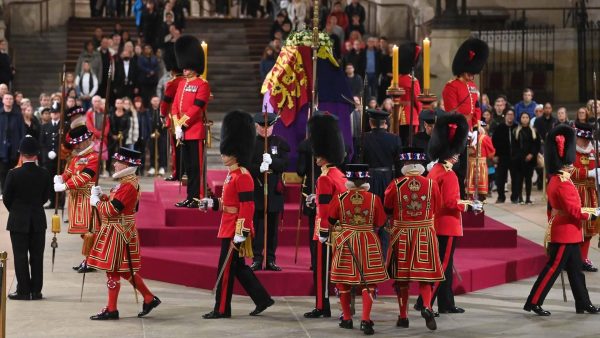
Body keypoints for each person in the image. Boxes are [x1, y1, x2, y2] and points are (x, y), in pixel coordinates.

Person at [199, 110, 274, 319]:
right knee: (238, 267)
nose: (222, 155)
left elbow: (247, 206)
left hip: (236, 230)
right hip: (229, 226)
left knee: (225, 271)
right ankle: (262, 299)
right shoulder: (232, 175)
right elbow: (229, 204)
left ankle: (221, 309)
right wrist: (212, 203)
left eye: (226, 151)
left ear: (235, 152)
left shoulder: (242, 176)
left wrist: (241, 232)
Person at [524, 124, 600, 316]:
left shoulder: (558, 179)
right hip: (565, 232)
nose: (572, 164)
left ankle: (583, 303)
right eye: (569, 162)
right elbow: (574, 211)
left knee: (576, 272)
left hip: (570, 232)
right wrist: (592, 213)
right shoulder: (563, 183)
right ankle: (533, 302)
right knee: (552, 270)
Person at [415, 113, 482, 313]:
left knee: (443, 265)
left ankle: (444, 304)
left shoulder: (435, 170)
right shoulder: (449, 174)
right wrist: (471, 205)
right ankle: (426, 303)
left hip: (437, 223)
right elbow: (451, 202)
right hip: (447, 225)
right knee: (442, 267)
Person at [87, 147, 160, 319]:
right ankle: (149, 298)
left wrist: (97, 203)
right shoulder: (126, 181)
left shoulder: (128, 185)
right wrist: (103, 196)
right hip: (119, 229)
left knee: (113, 270)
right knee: (122, 269)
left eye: (118, 162)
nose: (114, 164)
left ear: (126, 164)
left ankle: (112, 309)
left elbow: (113, 210)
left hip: (118, 231)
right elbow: (118, 204)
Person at [384, 147, 444, 331]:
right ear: (421, 165)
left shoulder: (396, 185)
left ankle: (403, 316)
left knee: (402, 279)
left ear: (404, 165)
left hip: (402, 234)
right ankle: (426, 306)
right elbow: (438, 206)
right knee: (425, 276)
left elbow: (387, 206)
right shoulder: (431, 184)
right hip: (425, 233)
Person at [329, 163, 388, 335]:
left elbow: (332, 221)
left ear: (348, 179)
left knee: (343, 281)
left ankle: (347, 319)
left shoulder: (339, 198)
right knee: (368, 283)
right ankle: (365, 320)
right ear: (365, 180)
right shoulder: (374, 199)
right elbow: (381, 222)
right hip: (368, 241)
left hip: (345, 240)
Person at [303, 112, 348, 319]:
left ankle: (322, 305)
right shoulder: (338, 174)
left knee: (321, 271)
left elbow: (324, 209)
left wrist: (322, 231)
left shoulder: (324, 178)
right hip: (340, 228)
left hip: (326, 231)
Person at [4, 136, 50, 300]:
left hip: (18, 220)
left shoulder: (13, 174)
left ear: (21, 154)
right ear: (36, 155)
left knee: (20, 256)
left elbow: (7, 198)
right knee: (37, 257)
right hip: (38, 219)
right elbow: (45, 197)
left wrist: (16, 211)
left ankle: (23, 290)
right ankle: (36, 290)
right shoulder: (44, 174)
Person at [442, 38, 488, 199]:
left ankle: (467, 197)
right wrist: (463, 130)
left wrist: (475, 127)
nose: (472, 75)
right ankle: (457, 196)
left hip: (469, 129)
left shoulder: (472, 87)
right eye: (470, 71)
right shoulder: (451, 86)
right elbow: (451, 112)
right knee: (457, 165)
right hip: (456, 130)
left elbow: (476, 108)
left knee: (469, 167)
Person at [54, 124, 100, 273]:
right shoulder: (76, 158)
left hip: (87, 198)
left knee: (89, 232)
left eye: (79, 143)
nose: (77, 146)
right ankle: (90, 259)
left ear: (86, 140)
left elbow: (84, 177)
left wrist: (65, 186)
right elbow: (69, 171)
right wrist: (61, 178)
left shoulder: (93, 157)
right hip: (76, 199)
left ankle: (90, 260)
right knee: (83, 232)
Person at [171, 36, 210, 208]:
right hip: (182, 132)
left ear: (194, 67)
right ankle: (189, 197)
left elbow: (197, 108)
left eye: (187, 68)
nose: (184, 70)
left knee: (196, 168)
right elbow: (174, 106)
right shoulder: (181, 84)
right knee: (187, 167)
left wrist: (182, 124)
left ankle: (197, 196)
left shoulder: (202, 85)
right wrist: (176, 124)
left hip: (194, 131)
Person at [249, 112, 289, 271]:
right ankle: (257, 258)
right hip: (257, 188)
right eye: (262, 127)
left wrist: (273, 162)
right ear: (257, 126)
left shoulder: (280, 143)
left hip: (274, 190)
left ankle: (271, 259)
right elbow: (246, 166)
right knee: (258, 226)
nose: (266, 130)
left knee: (272, 228)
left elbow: (285, 164)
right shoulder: (251, 144)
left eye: (269, 126)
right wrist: (258, 168)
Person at [361, 109, 401, 258]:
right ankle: (383, 256)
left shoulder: (363, 138)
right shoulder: (394, 139)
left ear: (371, 122)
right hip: (387, 179)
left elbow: (359, 161)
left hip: (369, 179)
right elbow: (398, 163)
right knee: (385, 218)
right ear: (385, 123)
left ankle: (368, 255)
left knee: (369, 216)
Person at [571, 122, 599, 272]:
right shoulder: (571, 151)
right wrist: (587, 173)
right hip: (574, 192)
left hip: (590, 193)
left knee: (589, 227)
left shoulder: (593, 152)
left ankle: (583, 258)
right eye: (583, 139)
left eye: (588, 139)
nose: (586, 142)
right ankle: (572, 259)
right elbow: (568, 170)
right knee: (575, 227)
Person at [159, 66, 184, 181]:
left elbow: (166, 101)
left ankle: (177, 173)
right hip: (188, 118)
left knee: (176, 148)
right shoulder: (187, 80)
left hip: (175, 119)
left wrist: (162, 114)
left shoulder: (173, 82)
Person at [397, 42, 423, 146]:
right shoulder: (412, 81)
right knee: (410, 143)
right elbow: (418, 101)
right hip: (410, 115)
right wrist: (421, 112)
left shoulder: (397, 79)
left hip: (397, 114)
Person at [511, 113, 540, 204]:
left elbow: (536, 144)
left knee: (528, 179)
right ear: (520, 119)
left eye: (527, 117)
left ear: (529, 119)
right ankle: (520, 197)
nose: (525, 119)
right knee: (519, 179)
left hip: (530, 159)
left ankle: (528, 197)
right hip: (519, 160)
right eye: (523, 117)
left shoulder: (534, 131)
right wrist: (520, 156)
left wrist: (532, 154)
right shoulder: (516, 131)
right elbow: (514, 146)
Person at [0, 93, 25, 190]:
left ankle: (12, 191)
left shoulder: (18, 115)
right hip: (2, 148)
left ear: (13, 101)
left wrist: (21, 147)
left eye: (10, 99)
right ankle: (3, 191)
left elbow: (22, 132)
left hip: (14, 148)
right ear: (3, 100)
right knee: (2, 171)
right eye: (6, 98)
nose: (8, 100)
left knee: (13, 171)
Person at [40, 106, 63, 209]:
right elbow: (42, 142)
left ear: (59, 113)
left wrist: (57, 152)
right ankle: (52, 201)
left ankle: (61, 202)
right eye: (52, 113)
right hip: (48, 159)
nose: (54, 115)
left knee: (60, 179)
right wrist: (47, 153)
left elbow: (65, 142)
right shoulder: (45, 126)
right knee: (50, 180)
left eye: (56, 112)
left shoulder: (63, 126)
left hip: (60, 158)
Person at [466, 123, 495, 202]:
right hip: (481, 165)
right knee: (480, 190)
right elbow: (491, 153)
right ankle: (480, 205)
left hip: (470, 164)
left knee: (470, 188)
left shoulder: (468, 138)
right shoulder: (485, 138)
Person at [492, 109, 516, 203]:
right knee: (500, 178)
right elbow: (494, 142)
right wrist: (495, 155)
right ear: (505, 116)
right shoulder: (499, 128)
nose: (510, 116)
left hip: (514, 158)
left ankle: (514, 197)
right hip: (502, 157)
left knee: (515, 178)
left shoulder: (517, 127)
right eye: (508, 114)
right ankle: (501, 197)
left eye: (512, 114)